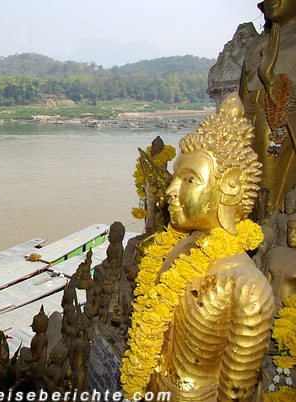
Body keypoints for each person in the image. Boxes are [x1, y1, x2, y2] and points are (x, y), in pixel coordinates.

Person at [121, 94, 275, 401]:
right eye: (176, 177)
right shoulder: (177, 248)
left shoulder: (247, 287)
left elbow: (235, 391)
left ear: (229, 185)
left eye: (189, 180)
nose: (171, 191)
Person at [240, 0, 296, 216]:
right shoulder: (259, 43)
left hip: (279, 124)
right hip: (249, 119)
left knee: (268, 194)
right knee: (246, 187)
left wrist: (273, 83)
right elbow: (242, 92)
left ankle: (269, 230)